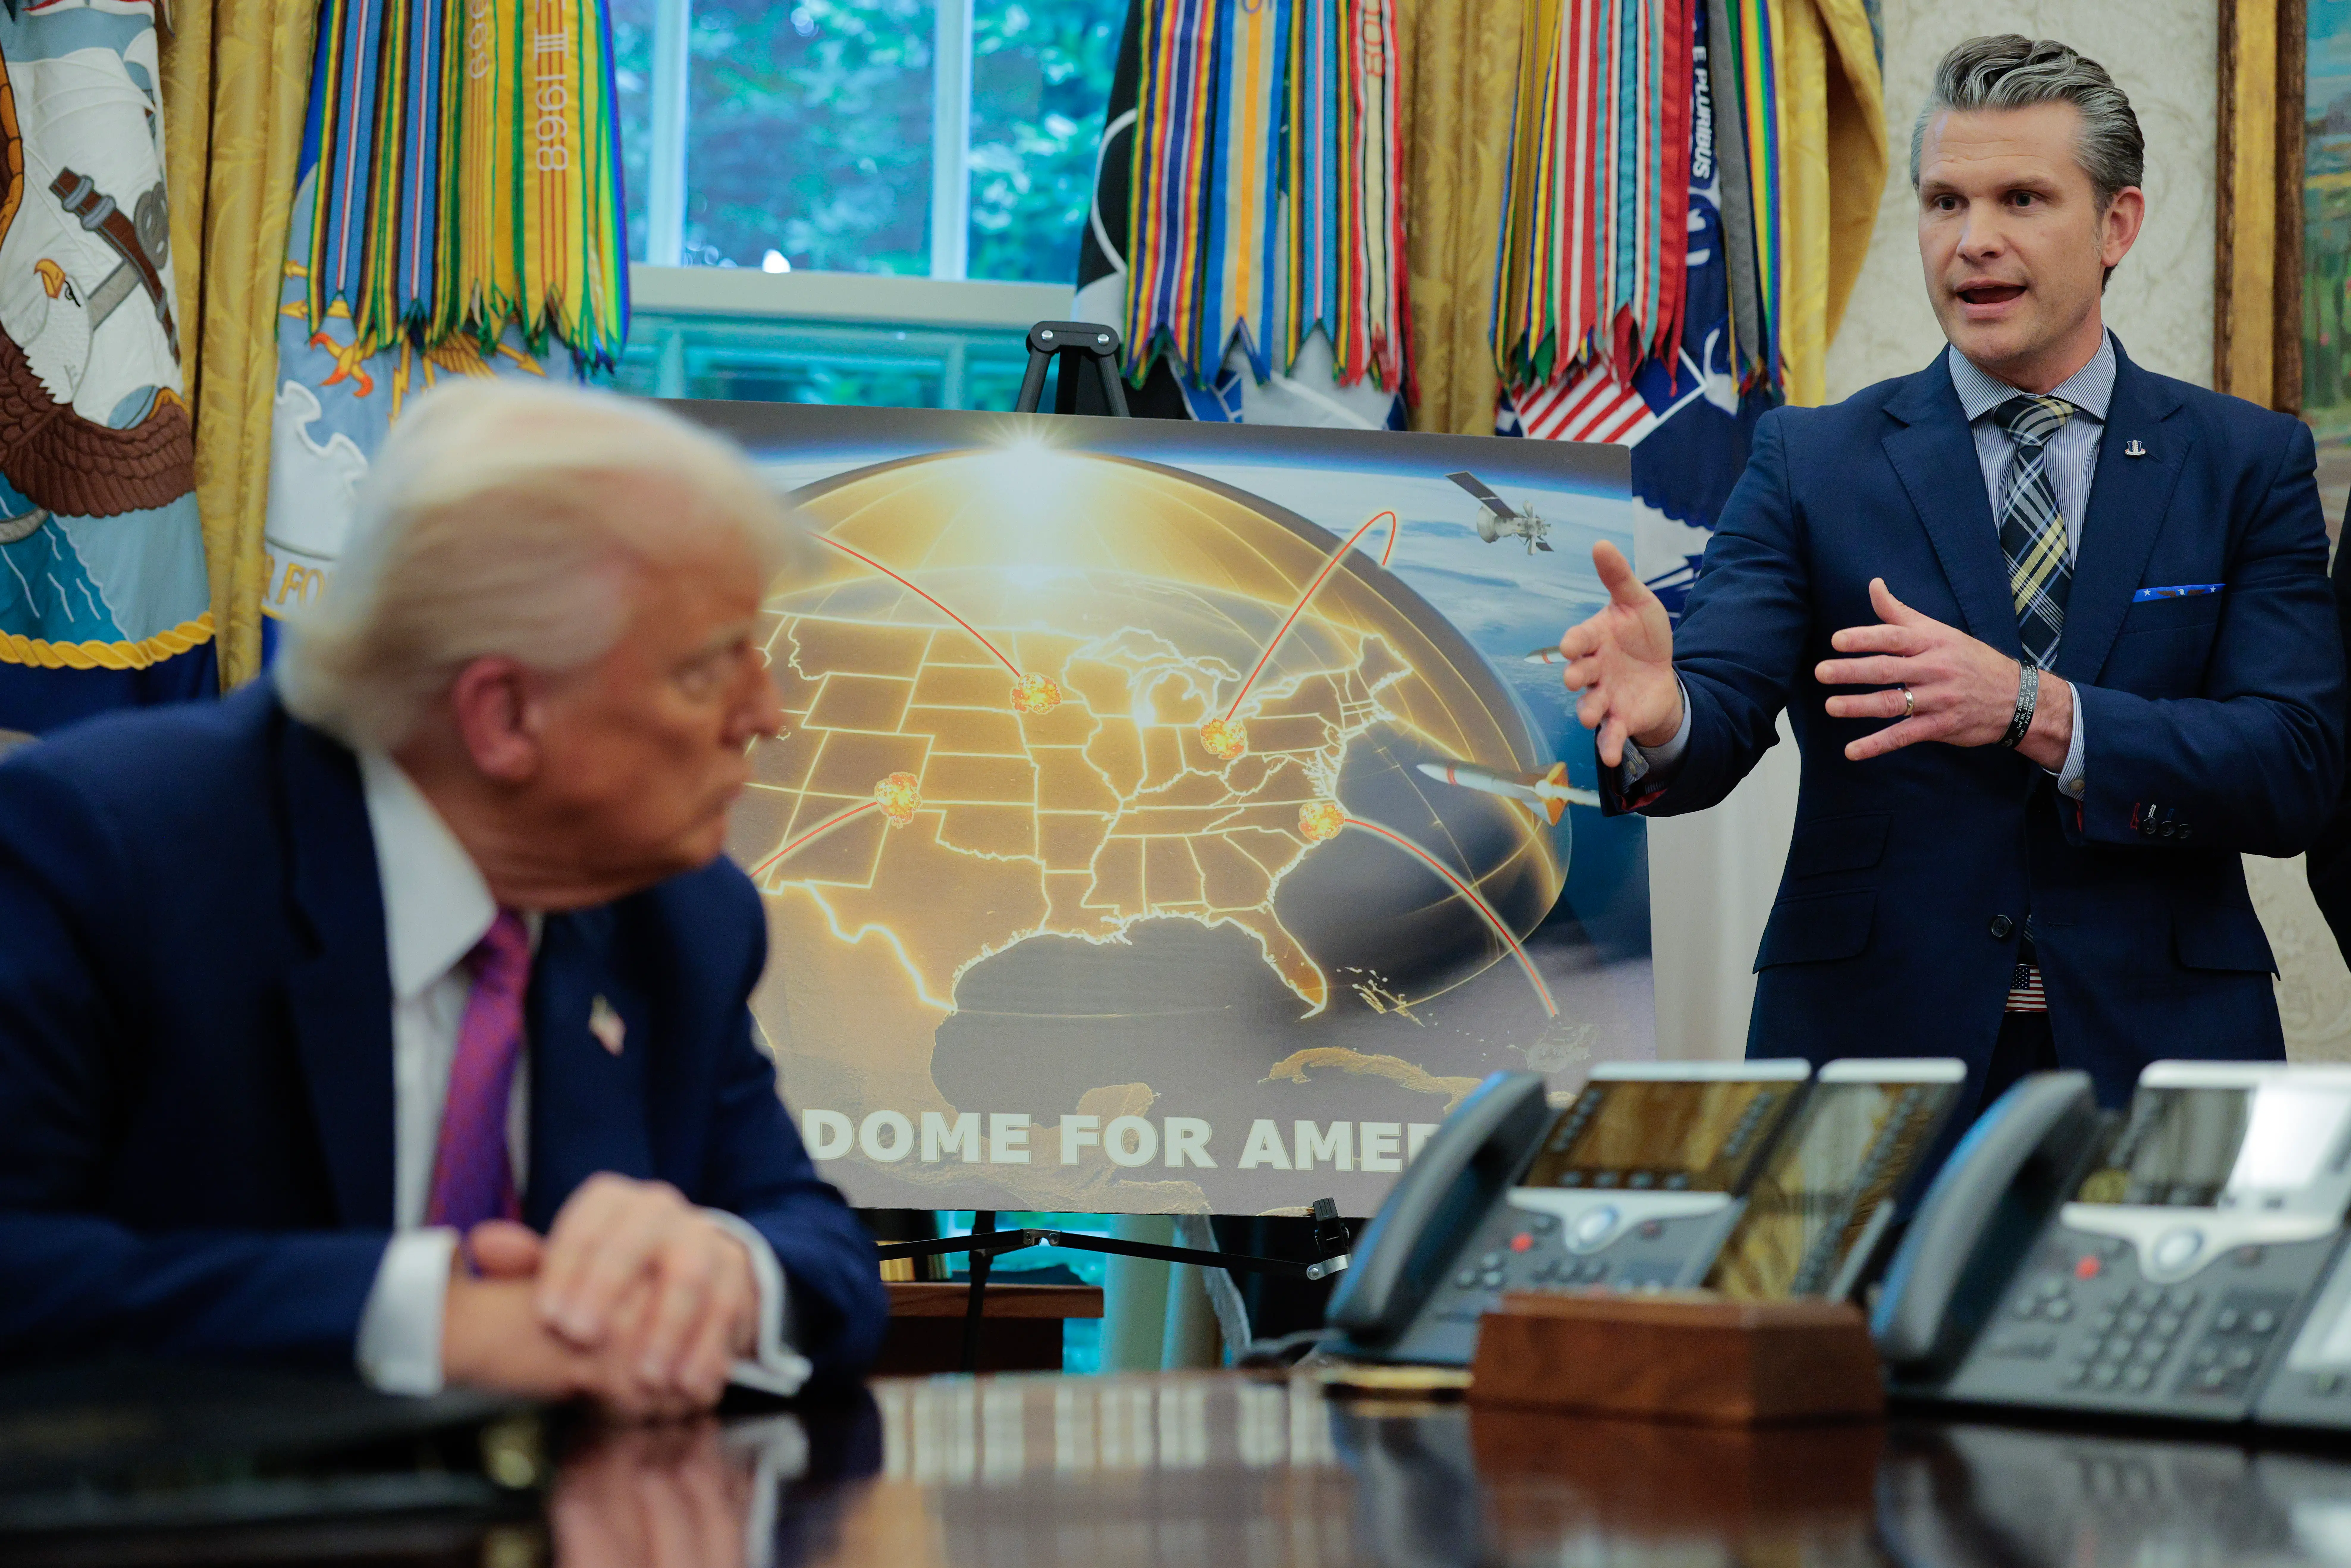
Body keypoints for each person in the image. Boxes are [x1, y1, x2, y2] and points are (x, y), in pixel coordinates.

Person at [0, 381, 885, 1412]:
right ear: (503, 715)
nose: (768, 715)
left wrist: (725, 1274)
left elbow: (816, 1243)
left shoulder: (686, 918)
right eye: (705, 672)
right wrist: (429, 1319)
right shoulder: (107, 851)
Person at [1559, 35, 2345, 1117]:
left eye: (2023, 199)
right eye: (1944, 204)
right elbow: (1718, 714)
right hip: (1868, 1060)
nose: (1973, 242)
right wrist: (1665, 716)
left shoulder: (2245, 462)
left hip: (2162, 1058)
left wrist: (2038, 711)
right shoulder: (1811, 460)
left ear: (2119, 224)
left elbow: (2294, 768)